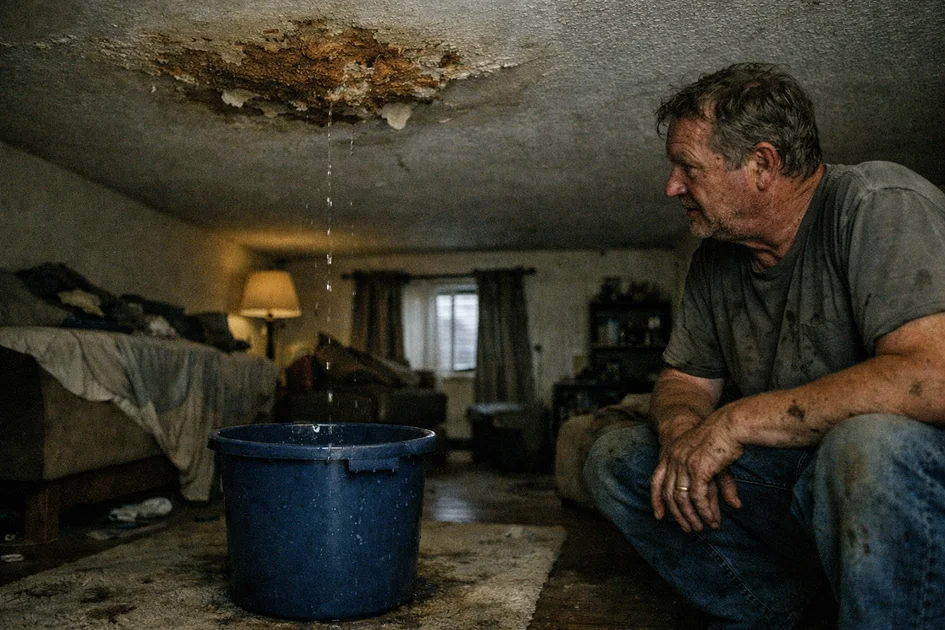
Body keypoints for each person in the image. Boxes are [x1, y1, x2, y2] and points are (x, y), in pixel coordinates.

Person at [583, 62, 945, 629]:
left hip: (902, 477)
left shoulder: (879, 203)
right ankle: (782, 611)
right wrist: (684, 436)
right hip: (798, 479)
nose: (672, 186)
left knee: (866, 445)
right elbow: (683, 381)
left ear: (761, 163)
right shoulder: (714, 260)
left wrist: (731, 424)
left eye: (689, 167)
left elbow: (932, 377)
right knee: (617, 460)